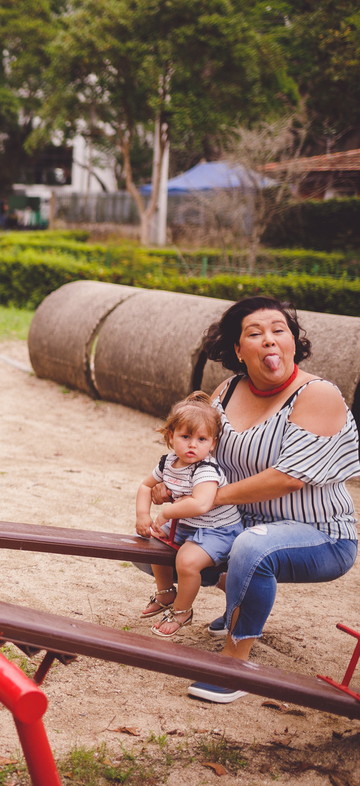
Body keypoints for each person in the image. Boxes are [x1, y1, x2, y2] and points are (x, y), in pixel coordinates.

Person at [156, 296, 359, 704]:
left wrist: (209, 499)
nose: (269, 340)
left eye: (278, 330)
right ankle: (238, 596)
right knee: (160, 540)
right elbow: (197, 449)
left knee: (253, 548)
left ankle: (236, 662)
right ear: (237, 349)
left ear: (292, 342)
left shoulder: (318, 395)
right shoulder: (227, 391)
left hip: (320, 534)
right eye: (255, 333)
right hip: (239, 522)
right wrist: (170, 483)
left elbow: (287, 478)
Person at [135, 392, 242, 638]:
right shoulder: (168, 462)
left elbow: (201, 504)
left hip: (217, 529)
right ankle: (165, 593)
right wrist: (143, 515)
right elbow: (145, 486)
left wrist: (167, 512)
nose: (193, 444)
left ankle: (182, 611)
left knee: (187, 561)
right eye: (185, 437)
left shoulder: (206, 469)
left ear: (213, 443)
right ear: (171, 437)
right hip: (187, 525)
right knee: (154, 543)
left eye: (201, 439)